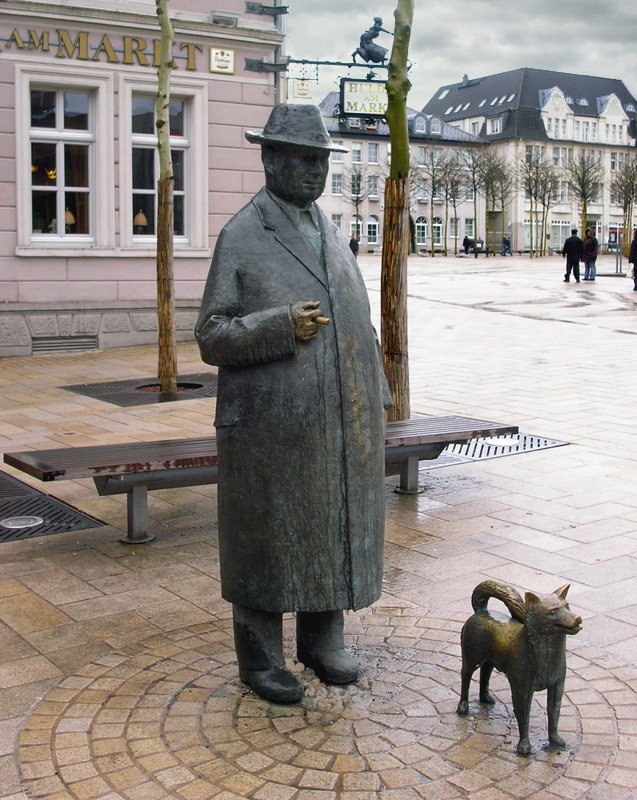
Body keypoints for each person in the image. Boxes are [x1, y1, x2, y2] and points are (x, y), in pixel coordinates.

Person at [195, 104, 391, 705]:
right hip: (267, 424)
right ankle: (260, 657)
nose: (314, 172)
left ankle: (321, 640)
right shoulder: (244, 233)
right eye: (303, 160)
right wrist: (279, 325)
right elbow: (211, 334)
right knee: (268, 535)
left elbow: (354, 316)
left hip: (336, 419)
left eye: (321, 161)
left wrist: (376, 389)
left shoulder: (327, 229)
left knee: (328, 526)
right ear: (270, 159)